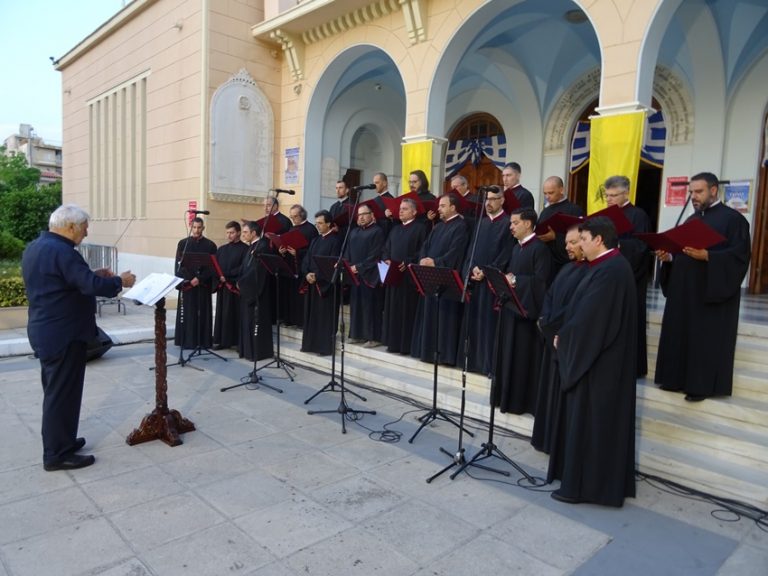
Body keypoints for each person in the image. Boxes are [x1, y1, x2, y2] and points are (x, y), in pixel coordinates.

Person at [22, 204, 136, 471]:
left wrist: (93, 274)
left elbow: (63, 282)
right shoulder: (63, 252)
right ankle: (56, 455)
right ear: (71, 226)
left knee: (61, 392)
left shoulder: (37, 247)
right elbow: (92, 288)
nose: (86, 233)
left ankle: (64, 441)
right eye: (85, 228)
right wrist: (120, 280)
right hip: (63, 334)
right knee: (60, 395)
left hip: (47, 331)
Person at [548, 216, 637, 507]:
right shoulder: (606, 266)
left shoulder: (611, 270)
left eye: (583, 240)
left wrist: (566, 338)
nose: (580, 246)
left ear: (598, 240)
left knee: (592, 424)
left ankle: (586, 487)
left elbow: (592, 318)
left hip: (600, 363)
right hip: (599, 358)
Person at [654, 172, 751, 400]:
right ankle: (674, 379)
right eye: (691, 192)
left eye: (698, 192)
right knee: (680, 333)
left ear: (714, 190)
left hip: (710, 294)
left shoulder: (733, 220)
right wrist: (668, 258)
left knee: (703, 340)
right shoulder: (692, 220)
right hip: (684, 291)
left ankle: (699, 387)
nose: (693, 197)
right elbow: (681, 252)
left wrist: (708, 256)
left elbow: (740, 256)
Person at [531, 226, 588, 454]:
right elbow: (550, 296)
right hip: (550, 337)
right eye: (567, 243)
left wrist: (554, 325)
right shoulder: (565, 268)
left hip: (566, 340)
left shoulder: (592, 273)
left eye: (573, 242)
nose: (567, 246)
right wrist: (544, 319)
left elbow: (578, 308)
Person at [493, 208, 552, 415]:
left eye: (515, 223)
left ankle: (521, 402)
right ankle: (506, 398)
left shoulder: (539, 249)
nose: (511, 226)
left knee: (523, 360)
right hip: (511, 310)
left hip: (527, 315)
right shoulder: (516, 248)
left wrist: (516, 280)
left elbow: (542, 282)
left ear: (528, 224)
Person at [457, 187, 512, 374]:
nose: (488, 203)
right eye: (486, 199)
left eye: (493, 199)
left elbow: (505, 254)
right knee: (475, 322)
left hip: (492, 283)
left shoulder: (507, 223)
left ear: (502, 200)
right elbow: (470, 250)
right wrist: (470, 270)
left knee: (489, 325)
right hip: (475, 279)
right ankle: (473, 363)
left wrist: (487, 272)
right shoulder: (481, 222)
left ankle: (489, 366)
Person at [410, 194, 469, 366]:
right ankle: (428, 352)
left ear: (453, 207)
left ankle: (444, 355)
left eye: (443, 206)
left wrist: (435, 262)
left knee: (445, 317)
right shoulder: (437, 227)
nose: (439, 209)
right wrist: (422, 259)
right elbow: (425, 246)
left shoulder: (461, 226)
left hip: (445, 279)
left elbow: (456, 252)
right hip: (430, 277)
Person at [604, 175, 652, 377]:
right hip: (607, 275)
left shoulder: (638, 215)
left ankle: (633, 366)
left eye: (614, 196)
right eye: (607, 196)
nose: (609, 200)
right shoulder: (606, 215)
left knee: (630, 320)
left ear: (626, 193)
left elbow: (642, 247)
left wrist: (620, 244)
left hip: (631, 276)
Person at [381, 198, 429, 354]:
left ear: (414, 212)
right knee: (392, 311)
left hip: (409, 278)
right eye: (400, 209)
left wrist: (409, 261)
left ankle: (406, 346)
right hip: (393, 275)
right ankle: (392, 343)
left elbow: (423, 251)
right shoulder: (395, 229)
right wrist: (386, 259)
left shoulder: (421, 228)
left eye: (405, 209)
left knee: (406, 311)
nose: (400, 211)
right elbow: (386, 248)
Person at [301, 210, 342, 355]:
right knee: (312, 316)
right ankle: (310, 345)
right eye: (316, 223)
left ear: (329, 224)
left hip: (325, 285)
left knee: (325, 317)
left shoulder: (336, 241)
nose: (317, 226)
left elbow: (332, 263)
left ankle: (323, 347)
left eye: (320, 223)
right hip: (312, 283)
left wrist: (317, 276)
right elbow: (307, 259)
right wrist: (307, 274)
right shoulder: (315, 240)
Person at [345, 204, 386, 346]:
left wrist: (359, 267)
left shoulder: (377, 231)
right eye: (359, 215)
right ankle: (356, 335)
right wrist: (349, 265)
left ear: (372, 215)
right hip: (355, 274)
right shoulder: (354, 232)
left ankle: (373, 337)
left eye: (364, 214)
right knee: (356, 305)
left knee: (370, 306)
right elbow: (348, 251)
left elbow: (375, 255)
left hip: (370, 274)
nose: (361, 217)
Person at [174, 217, 217, 350]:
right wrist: (190, 279)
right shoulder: (183, 243)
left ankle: (203, 341)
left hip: (203, 284)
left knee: (203, 312)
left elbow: (213, 266)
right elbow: (179, 264)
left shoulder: (210, 245)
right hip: (188, 284)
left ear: (203, 228)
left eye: (199, 228)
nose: (197, 230)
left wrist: (200, 278)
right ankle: (188, 341)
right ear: (190, 227)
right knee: (188, 312)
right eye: (194, 227)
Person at [237, 221, 274, 361]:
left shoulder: (262, 246)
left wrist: (243, 283)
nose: (243, 234)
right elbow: (244, 267)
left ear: (254, 233)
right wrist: (240, 280)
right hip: (247, 289)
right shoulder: (252, 246)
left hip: (258, 292)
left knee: (255, 321)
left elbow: (257, 270)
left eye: (246, 232)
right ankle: (247, 350)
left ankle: (257, 352)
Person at [536, 176, 584, 281]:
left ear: (561, 190)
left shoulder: (574, 210)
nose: (547, 197)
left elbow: (580, 238)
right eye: (545, 193)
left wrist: (555, 237)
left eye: (551, 193)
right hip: (545, 263)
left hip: (565, 264)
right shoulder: (545, 211)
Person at [279, 204, 318, 328]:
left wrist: (298, 253)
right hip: (290, 267)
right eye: (291, 217)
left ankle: (301, 321)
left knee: (300, 296)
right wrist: (283, 251)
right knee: (290, 295)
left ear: (302, 215)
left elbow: (313, 250)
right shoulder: (291, 229)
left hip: (302, 267)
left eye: (295, 216)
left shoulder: (311, 229)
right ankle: (289, 319)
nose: (293, 219)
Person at [212, 221, 248, 350]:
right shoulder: (221, 249)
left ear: (238, 232)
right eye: (227, 232)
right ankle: (222, 341)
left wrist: (226, 276)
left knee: (236, 314)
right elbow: (215, 266)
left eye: (232, 232)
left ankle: (237, 342)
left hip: (234, 287)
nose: (229, 235)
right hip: (223, 287)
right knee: (223, 314)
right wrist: (219, 277)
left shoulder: (245, 249)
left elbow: (243, 268)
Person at [372, 171, 396, 236]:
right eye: (374, 183)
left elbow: (393, 221)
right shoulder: (375, 199)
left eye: (377, 183)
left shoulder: (391, 199)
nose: (374, 185)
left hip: (384, 234)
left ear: (385, 183)